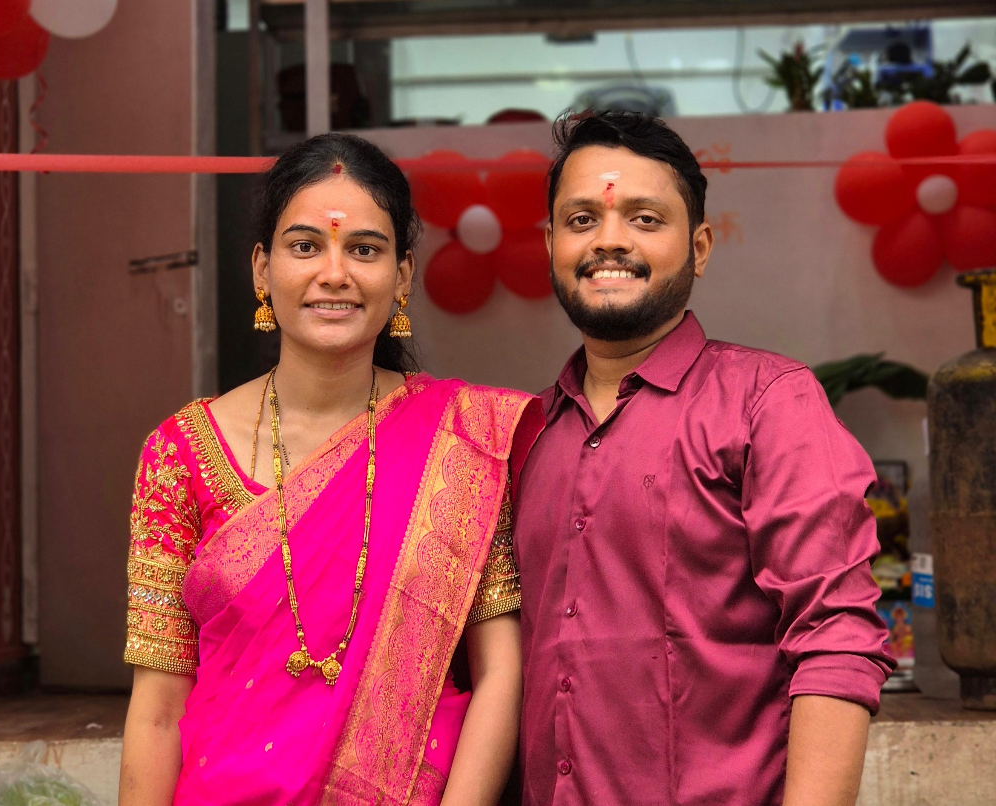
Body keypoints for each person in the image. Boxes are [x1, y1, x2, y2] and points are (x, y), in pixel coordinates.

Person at [118, 133, 542, 806]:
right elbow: (157, 707)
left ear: (402, 275)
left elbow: (500, 672)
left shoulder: (463, 441)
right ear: (263, 269)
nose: (334, 272)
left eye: (365, 249)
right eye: (305, 245)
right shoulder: (179, 454)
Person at [514, 110, 895, 806]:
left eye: (645, 219)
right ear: (549, 243)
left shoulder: (767, 403)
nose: (610, 241)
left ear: (701, 247)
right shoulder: (525, 433)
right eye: (580, 221)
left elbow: (836, 638)